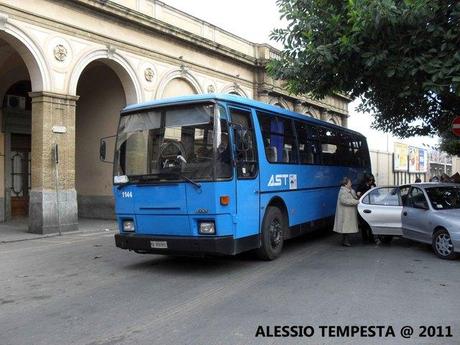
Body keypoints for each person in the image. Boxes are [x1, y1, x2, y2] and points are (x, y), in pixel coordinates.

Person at [333, 177, 360, 247]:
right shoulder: (343, 191)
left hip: (348, 212)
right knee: (345, 227)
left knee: (346, 227)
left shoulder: (349, 190)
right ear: (345, 184)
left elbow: (354, 197)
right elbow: (344, 201)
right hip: (345, 213)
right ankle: (345, 241)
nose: (351, 184)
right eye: (350, 183)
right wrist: (356, 202)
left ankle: (345, 240)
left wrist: (357, 195)